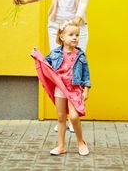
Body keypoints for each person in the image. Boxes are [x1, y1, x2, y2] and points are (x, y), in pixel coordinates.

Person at [14, 0, 94, 131]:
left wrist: (73, 27)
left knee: (74, 70)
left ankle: (72, 117)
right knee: (59, 69)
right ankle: (63, 117)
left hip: (77, 28)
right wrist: (26, 1)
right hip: (55, 26)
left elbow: (83, 2)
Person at [45, 20, 91, 155]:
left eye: (77, 35)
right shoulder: (54, 54)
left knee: (74, 117)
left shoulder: (80, 55)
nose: (75, 37)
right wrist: (36, 56)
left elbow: (86, 74)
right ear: (62, 37)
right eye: (71, 34)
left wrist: (86, 89)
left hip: (74, 89)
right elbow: (44, 64)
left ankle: (81, 142)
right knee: (60, 118)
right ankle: (61, 146)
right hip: (60, 89)